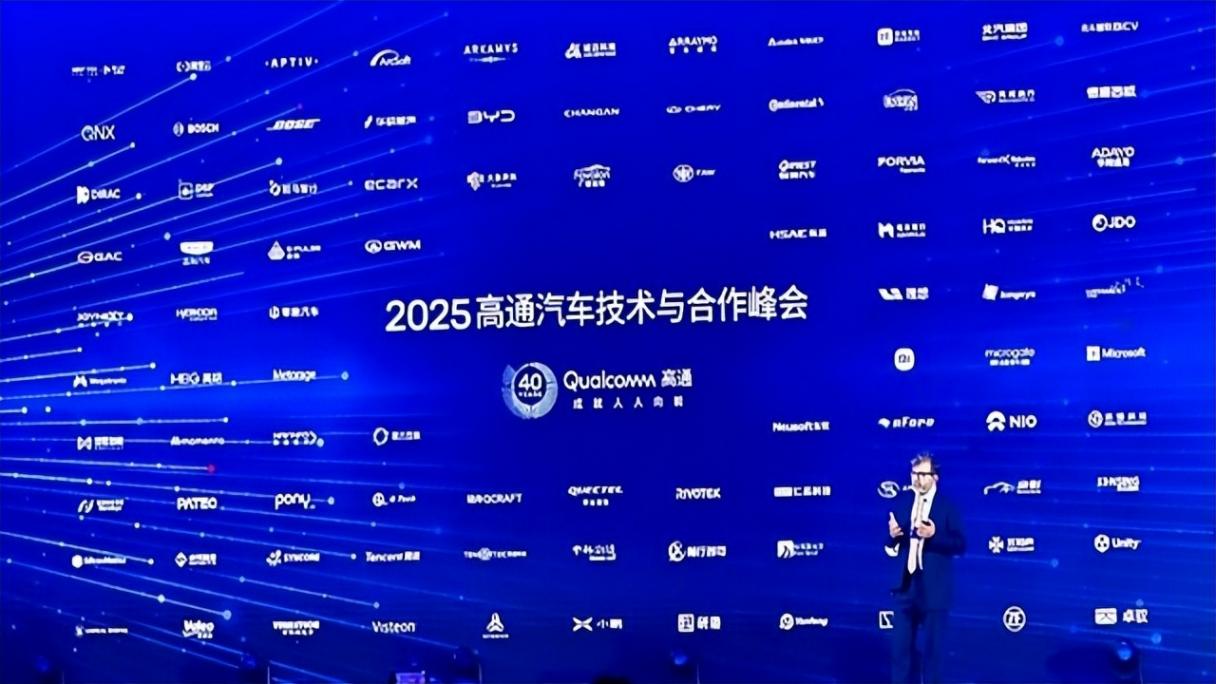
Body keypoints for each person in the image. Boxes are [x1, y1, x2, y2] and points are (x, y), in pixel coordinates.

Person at [885, 452, 966, 684]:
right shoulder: (903, 504)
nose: (917, 479)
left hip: (934, 591)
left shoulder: (947, 507)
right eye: (914, 474)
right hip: (906, 588)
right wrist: (892, 536)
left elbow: (960, 544)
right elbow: (891, 543)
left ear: (935, 477)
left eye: (922, 474)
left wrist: (934, 535)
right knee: (900, 653)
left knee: (932, 657)